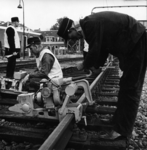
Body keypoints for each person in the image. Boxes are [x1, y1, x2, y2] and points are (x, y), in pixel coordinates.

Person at [57, 11, 147, 140]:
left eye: (70, 36)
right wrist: (96, 66)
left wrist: (84, 64)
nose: (72, 39)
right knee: (125, 86)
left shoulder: (89, 25)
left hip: (136, 42)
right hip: (132, 45)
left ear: (71, 29)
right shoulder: (90, 26)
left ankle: (122, 130)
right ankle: (117, 121)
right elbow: (103, 49)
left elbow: (95, 49)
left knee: (131, 88)